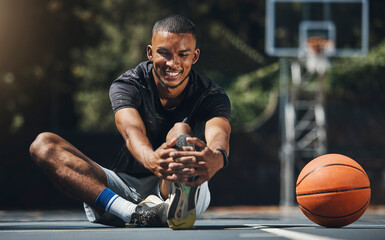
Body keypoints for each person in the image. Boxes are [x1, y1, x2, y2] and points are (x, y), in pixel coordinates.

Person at [29, 15, 231, 229]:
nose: (173, 63)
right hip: (124, 187)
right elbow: (131, 131)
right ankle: (132, 213)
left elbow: (219, 133)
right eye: (164, 53)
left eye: (183, 54)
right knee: (43, 145)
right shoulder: (128, 84)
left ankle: (173, 204)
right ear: (150, 53)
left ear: (195, 56)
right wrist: (151, 159)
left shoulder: (211, 94)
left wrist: (217, 159)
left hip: (178, 180)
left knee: (181, 130)